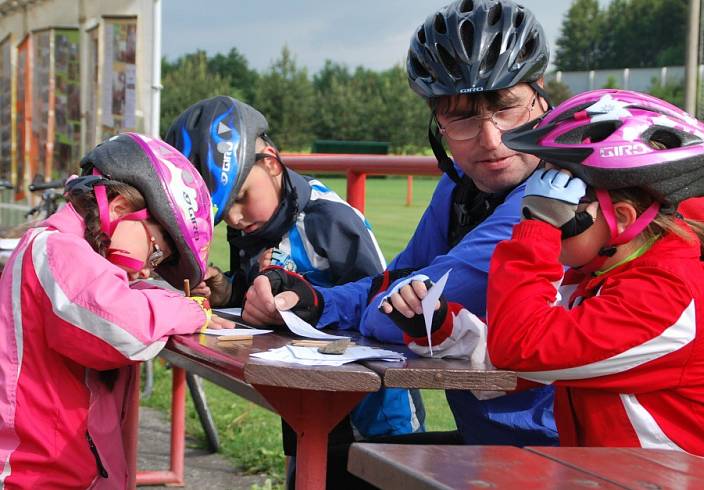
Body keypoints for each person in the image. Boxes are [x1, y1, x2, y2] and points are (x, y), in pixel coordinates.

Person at [386, 89, 704, 487]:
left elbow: (524, 348)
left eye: (560, 205)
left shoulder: (666, 294)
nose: (540, 215)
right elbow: (519, 357)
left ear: (620, 217)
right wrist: (441, 325)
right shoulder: (600, 279)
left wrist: (536, 231)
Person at [241, 0, 559, 448]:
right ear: (437, 122)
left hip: (567, 452)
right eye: (462, 116)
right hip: (494, 443)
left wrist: (372, 302)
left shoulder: (554, 199)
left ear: (540, 93)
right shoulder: (460, 189)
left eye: (506, 106)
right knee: (337, 460)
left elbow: (403, 313)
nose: (491, 140)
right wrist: (313, 301)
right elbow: (401, 277)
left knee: (340, 464)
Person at [164, 96, 423, 488]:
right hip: (305, 396)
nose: (234, 218)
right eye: (222, 212)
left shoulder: (328, 219)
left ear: (270, 163)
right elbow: (257, 296)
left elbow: (378, 300)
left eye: (240, 198)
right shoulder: (254, 227)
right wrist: (228, 291)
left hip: (377, 406)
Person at [0, 133, 233, 488]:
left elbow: (126, 295)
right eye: (156, 252)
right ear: (121, 209)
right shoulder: (55, 249)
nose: (148, 269)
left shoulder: (83, 259)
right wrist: (190, 308)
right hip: (34, 477)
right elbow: (125, 329)